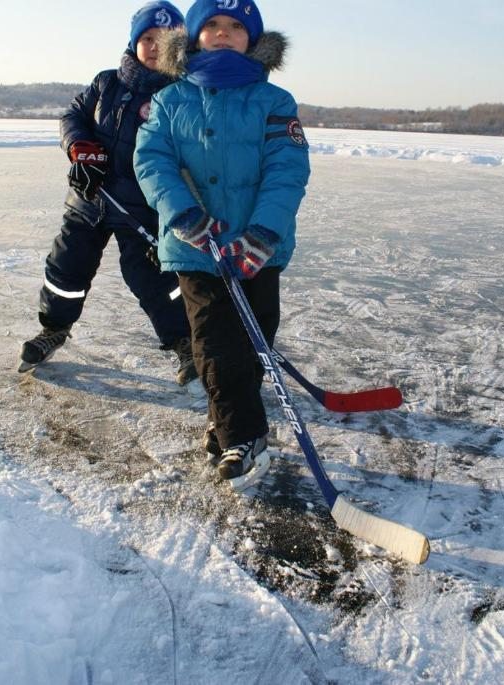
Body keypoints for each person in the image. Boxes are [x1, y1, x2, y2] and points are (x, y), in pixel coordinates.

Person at [134, 0, 310, 482]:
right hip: (198, 249)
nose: (224, 33)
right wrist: (183, 215)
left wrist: (263, 234)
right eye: (212, 25)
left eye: (236, 26)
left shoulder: (275, 102)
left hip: (258, 250)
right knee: (214, 345)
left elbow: (287, 170)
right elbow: (152, 162)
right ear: (194, 36)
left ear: (253, 39)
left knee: (256, 341)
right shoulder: (171, 101)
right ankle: (244, 438)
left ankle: (227, 416)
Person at [20, 1, 197, 387]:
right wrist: (80, 148)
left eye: (164, 39)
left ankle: (186, 343)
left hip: (144, 209)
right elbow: (72, 118)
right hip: (90, 198)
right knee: (67, 267)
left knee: (154, 281)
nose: (154, 46)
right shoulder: (106, 83)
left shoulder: (181, 95)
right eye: (147, 38)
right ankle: (53, 328)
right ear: (134, 42)